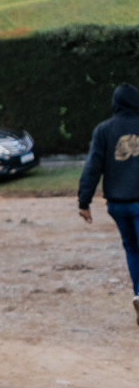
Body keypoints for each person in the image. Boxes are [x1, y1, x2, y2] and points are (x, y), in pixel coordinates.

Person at [77, 82, 139, 326]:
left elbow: (93, 167)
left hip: (118, 205)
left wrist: (84, 201)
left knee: (132, 249)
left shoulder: (104, 130)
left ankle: (138, 293)